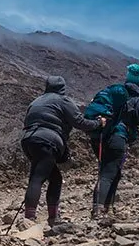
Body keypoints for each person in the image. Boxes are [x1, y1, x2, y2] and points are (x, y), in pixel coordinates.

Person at [21, 76, 105, 225]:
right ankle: (31, 219)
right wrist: (98, 123)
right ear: (62, 88)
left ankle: (47, 217)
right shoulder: (63, 100)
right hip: (48, 141)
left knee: (51, 177)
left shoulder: (36, 101)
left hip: (29, 139)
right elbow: (79, 122)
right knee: (38, 177)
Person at [91, 64, 139, 219]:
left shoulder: (118, 95)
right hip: (118, 137)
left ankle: (105, 209)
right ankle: (99, 211)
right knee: (109, 173)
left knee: (111, 172)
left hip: (101, 136)